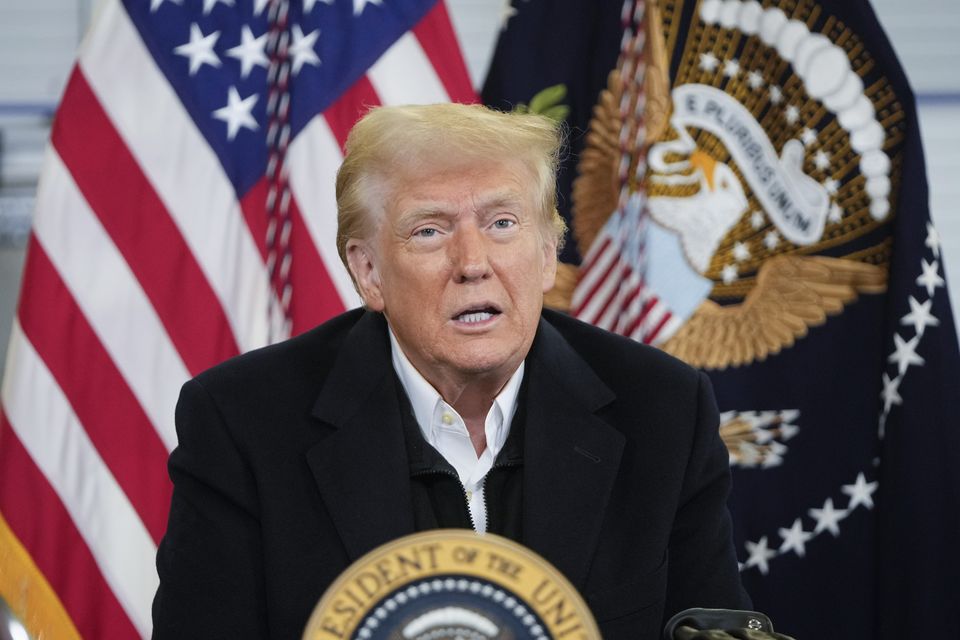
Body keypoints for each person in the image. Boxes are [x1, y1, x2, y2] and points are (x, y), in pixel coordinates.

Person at [152, 103, 750, 639]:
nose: (472, 263)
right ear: (368, 273)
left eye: (502, 223)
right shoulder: (245, 423)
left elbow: (711, 624)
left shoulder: (662, 410)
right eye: (430, 230)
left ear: (547, 254)